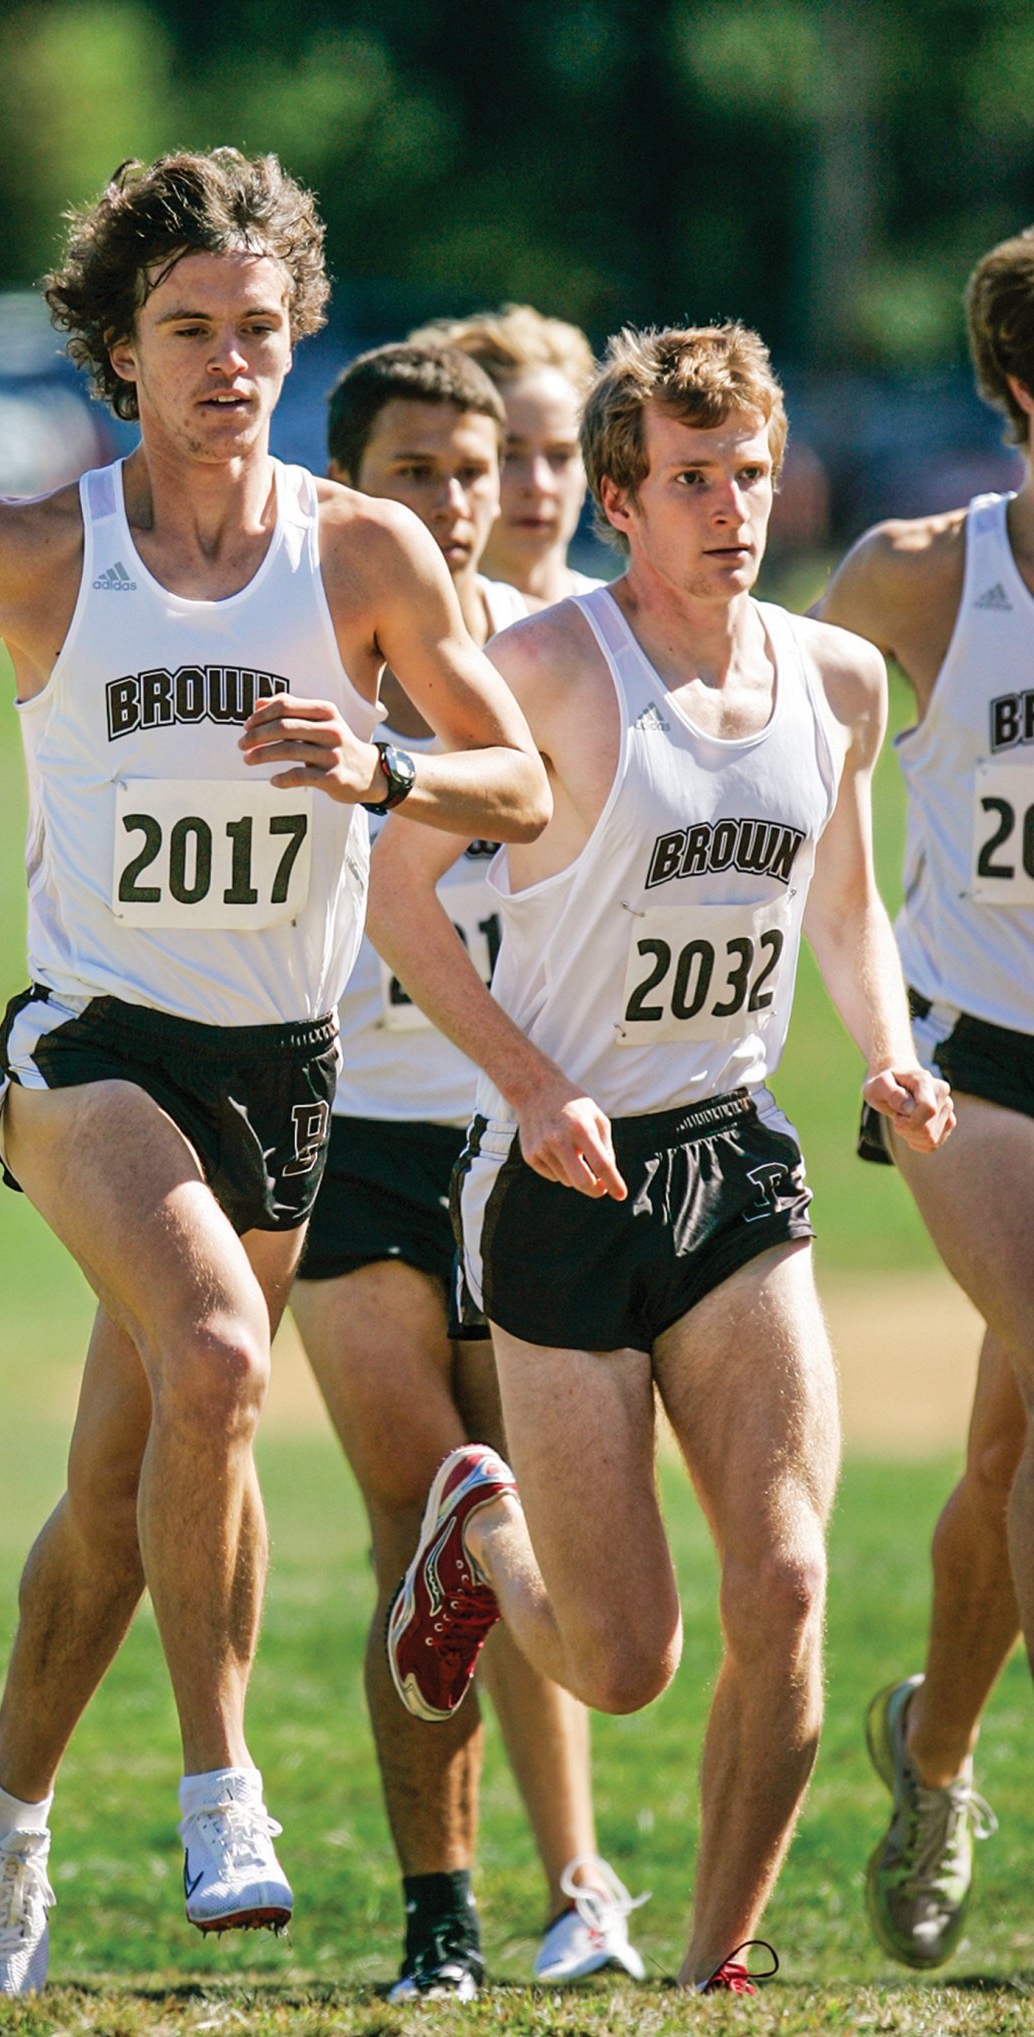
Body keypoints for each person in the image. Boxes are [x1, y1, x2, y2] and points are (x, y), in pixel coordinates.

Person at [0, 148, 549, 1997]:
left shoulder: (359, 552)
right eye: (190, 331)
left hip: (283, 1068)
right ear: (118, 354)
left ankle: (9, 1795)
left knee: (129, 1493)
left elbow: (515, 779)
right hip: (92, 1047)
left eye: (262, 330)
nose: (230, 363)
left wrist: (379, 769)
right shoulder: (31, 543)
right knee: (221, 1352)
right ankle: (223, 1789)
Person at [370, 323, 955, 1992]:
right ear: (620, 500)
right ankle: (475, 1527)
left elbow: (844, 903)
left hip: (734, 1161)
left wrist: (895, 1053)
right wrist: (533, 1084)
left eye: (753, 476)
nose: (731, 509)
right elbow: (403, 904)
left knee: (786, 1573)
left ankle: (712, 1971)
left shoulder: (833, 678)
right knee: (623, 1660)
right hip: (561, 1183)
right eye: (692, 480)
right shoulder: (554, 668)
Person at [290, 341, 645, 1998]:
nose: (453, 500)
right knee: (433, 1504)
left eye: (475, 470)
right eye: (416, 470)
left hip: (509, 1142)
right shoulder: (289, 648)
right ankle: (445, 1916)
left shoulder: (551, 669)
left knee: (492, 1548)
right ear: (352, 482)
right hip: (344, 1136)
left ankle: (574, 1881)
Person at [815, 225, 1034, 1972]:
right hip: (971, 1053)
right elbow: (765, 731)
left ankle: (936, 1753)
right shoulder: (919, 581)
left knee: (1008, 1447)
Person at [411, 305, 599, 604]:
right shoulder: (396, 635)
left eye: (561, 456)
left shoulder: (637, 631)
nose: (538, 485)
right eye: (509, 456)